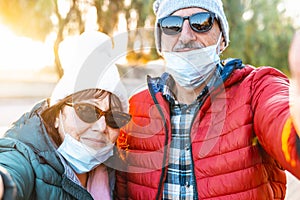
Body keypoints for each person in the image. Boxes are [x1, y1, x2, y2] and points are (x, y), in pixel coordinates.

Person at [114, 0, 300, 199]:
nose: (185, 36)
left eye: (201, 22)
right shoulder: (134, 109)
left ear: (222, 40)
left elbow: (284, 123)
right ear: (160, 43)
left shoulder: (256, 89)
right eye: (171, 25)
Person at [0, 31, 131, 200]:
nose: (101, 127)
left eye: (114, 118)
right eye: (87, 110)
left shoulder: (116, 170)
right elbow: (11, 170)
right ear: (56, 116)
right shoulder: (25, 157)